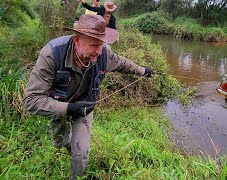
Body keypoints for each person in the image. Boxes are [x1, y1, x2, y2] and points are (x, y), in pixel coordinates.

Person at [22, 14, 153, 179]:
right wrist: (68, 108)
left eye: (102, 44)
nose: (99, 51)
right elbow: (31, 100)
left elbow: (122, 63)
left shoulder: (103, 53)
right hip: (57, 105)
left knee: (82, 151)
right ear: (77, 40)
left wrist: (142, 70)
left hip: (85, 106)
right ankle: (68, 145)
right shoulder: (52, 54)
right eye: (94, 45)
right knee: (59, 142)